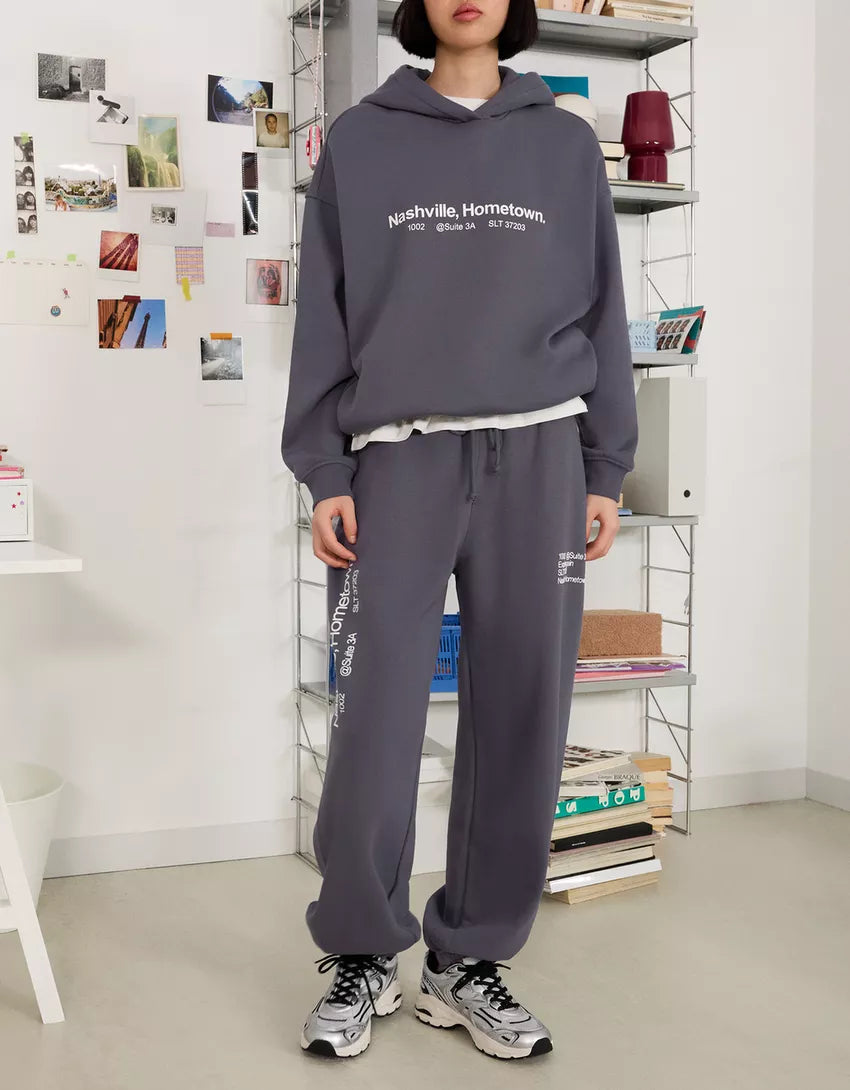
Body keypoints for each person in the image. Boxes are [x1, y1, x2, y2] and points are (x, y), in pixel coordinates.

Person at [281, 0, 638, 1063]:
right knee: (375, 714)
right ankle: (361, 949)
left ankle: (468, 959)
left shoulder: (564, 144)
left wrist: (604, 464)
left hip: (540, 455)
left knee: (523, 708)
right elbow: (324, 313)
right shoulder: (361, 140)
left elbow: (603, 309)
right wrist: (324, 468)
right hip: (397, 459)